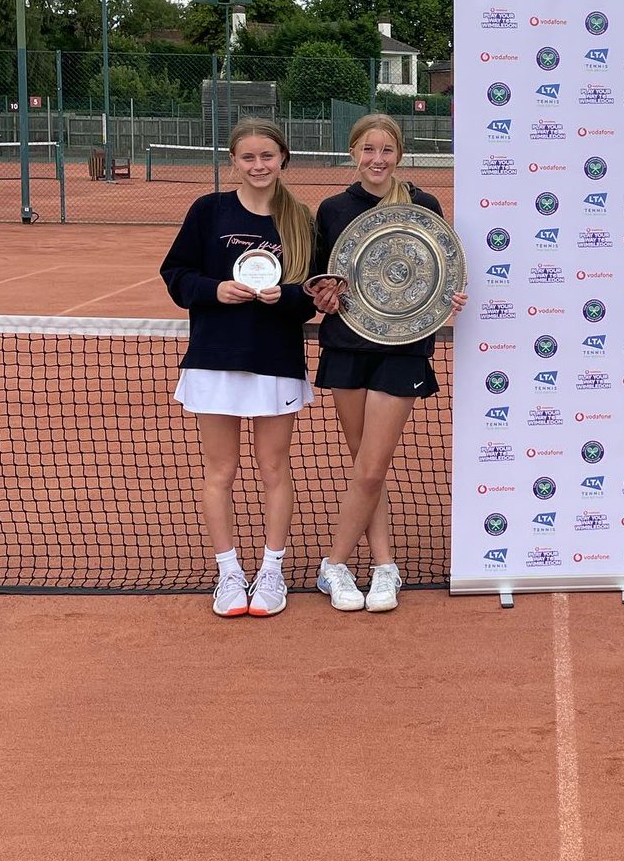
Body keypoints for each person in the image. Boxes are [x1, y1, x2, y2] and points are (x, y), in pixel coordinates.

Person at [308, 113, 466, 613]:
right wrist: (324, 296)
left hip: (404, 350)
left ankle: (333, 564)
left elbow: (439, 269)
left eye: (387, 150)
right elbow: (319, 279)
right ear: (353, 153)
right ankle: (383, 565)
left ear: (399, 154)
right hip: (347, 347)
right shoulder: (333, 209)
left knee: (372, 468)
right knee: (363, 467)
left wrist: (448, 299)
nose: (377, 159)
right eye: (367, 150)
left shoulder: (424, 205)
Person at [160, 119, 316, 619]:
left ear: (283, 159)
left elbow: (311, 297)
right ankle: (229, 573)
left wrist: (285, 296)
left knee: (274, 469)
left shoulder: (300, 219)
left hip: (275, 361)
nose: (259, 166)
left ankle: (272, 571)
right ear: (234, 162)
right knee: (220, 472)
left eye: (267, 156)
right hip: (215, 360)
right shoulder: (209, 211)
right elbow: (176, 273)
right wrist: (214, 290)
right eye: (248, 158)